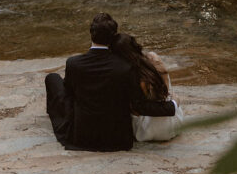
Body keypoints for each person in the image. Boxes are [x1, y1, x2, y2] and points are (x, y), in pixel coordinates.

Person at [45, 12, 177, 152]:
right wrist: (172, 105)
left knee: (52, 79)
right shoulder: (126, 66)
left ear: (91, 33)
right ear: (113, 36)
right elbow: (140, 106)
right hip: (117, 139)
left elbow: (68, 94)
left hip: (83, 137)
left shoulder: (73, 63)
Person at [109, 33, 184, 142]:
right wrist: (174, 103)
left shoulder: (128, 73)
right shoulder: (152, 59)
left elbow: (139, 108)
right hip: (172, 125)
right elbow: (166, 93)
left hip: (146, 131)